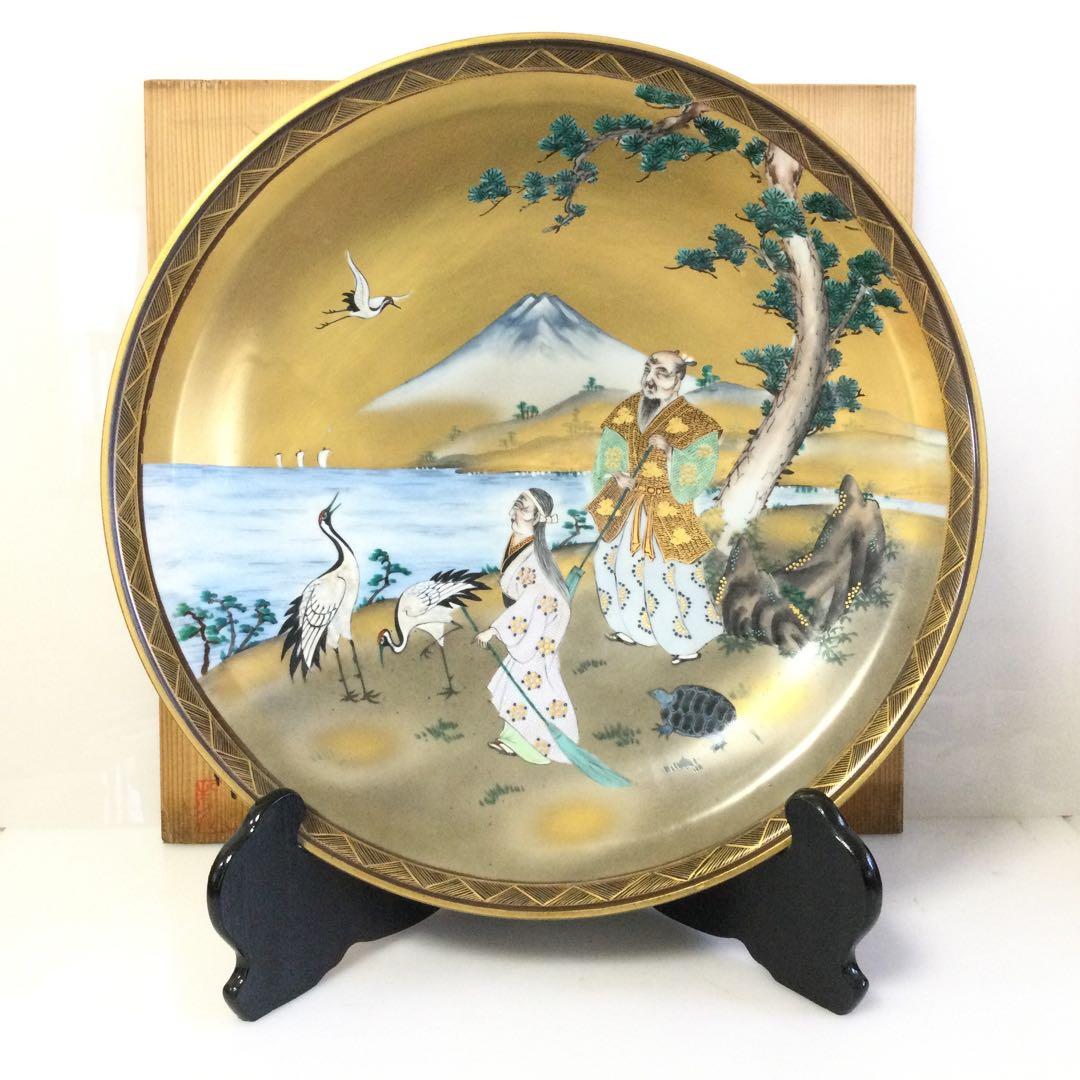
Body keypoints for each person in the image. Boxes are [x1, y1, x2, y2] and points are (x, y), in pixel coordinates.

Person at [586, 350, 724, 664]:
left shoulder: (695, 421)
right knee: (612, 563)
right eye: (649, 370)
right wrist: (616, 475)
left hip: (666, 508)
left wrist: (671, 451)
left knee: (665, 574)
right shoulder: (628, 408)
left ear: (679, 379)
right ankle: (634, 629)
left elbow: (699, 469)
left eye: (662, 373)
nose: (651, 379)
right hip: (628, 502)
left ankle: (685, 643)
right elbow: (609, 450)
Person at [473, 489, 578, 763]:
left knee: (531, 684)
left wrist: (495, 629)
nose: (515, 511)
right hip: (528, 623)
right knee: (518, 683)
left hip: (536, 627)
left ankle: (536, 747)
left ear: (536, 519)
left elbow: (532, 599)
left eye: (524, 508)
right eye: (517, 505)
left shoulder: (533, 556)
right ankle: (514, 739)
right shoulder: (519, 541)